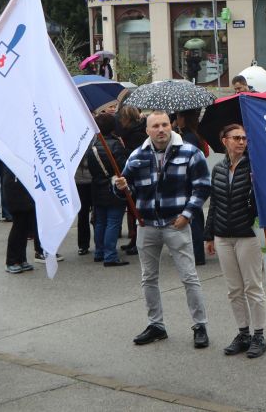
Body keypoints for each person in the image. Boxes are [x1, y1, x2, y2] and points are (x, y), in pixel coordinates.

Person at [114, 110, 212, 349]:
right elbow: (126, 192)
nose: (161, 130)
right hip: (146, 226)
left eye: (165, 125)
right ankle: (156, 325)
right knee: (148, 278)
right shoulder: (137, 156)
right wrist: (119, 187)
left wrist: (187, 215)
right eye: (155, 126)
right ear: (147, 130)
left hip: (175, 224)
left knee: (189, 277)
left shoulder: (190, 152)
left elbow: (202, 186)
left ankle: (200, 326)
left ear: (171, 126)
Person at [204, 124, 266, 359]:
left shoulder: (255, 166)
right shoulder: (218, 169)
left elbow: (262, 201)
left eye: (244, 138)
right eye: (236, 138)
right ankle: (243, 333)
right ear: (224, 141)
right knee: (234, 289)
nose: (241, 142)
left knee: (253, 286)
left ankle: (259, 334)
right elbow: (215, 203)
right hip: (223, 234)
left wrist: (256, 184)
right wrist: (209, 235)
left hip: (247, 234)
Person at [87, 113, 130, 267]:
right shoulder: (115, 145)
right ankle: (110, 255)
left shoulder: (92, 145)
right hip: (112, 187)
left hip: (96, 186)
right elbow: (123, 167)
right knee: (113, 221)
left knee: (100, 222)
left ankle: (99, 252)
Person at [174, 110, 210, 265]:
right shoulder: (194, 134)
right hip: (194, 179)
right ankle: (197, 253)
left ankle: (196, 255)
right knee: (196, 216)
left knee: (192, 219)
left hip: (189, 180)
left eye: (177, 117)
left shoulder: (187, 138)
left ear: (183, 118)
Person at [116, 104, 147, 256]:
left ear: (126, 118)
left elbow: (136, 154)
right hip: (136, 175)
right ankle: (134, 240)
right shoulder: (137, 130)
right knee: (133, 209)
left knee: (136, 210)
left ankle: (137, 241)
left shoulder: (135, 134)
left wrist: (123, 148)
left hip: (136, 175)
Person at [2, 170, 37, 274]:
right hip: (15, 189)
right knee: (18, 226)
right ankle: (11, 261)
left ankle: (21, 259)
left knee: (25, 227)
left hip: (26, 188)